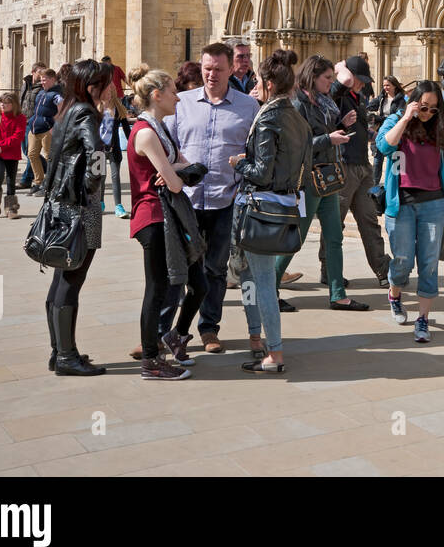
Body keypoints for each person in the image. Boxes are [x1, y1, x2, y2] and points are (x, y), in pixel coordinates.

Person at [165, 42, 259, 353]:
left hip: (225, 199)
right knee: (176, 269)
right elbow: (167, 144)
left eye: (218, 69)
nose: (211, 74)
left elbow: (255, 152)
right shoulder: (182, 102)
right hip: (186, 199)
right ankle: (164, 332)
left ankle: (209, 329)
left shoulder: (248, 107)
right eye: (206, 68)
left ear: (232, 69)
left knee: (215, 269)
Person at [228, 50, 312, 372]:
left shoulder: (268, 117)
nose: (255, 87)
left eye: (259, 82)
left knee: (260, 281)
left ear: (269, 83)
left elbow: (261, 171)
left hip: (259, 208)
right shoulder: (298, 119)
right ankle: (255, 338)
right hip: (283, 207)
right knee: (250, 277)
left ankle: (273, 353)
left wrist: (239, 162)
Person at [43, 58, 112, 376]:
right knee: (72, 279)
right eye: (108, 83)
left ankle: (59, 351)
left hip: (61, 205)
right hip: (80, 209)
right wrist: (91, 186)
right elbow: (96, 152)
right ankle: (67, 357)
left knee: (61, 278)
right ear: (93, 87)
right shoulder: (86, 112)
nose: (113, 89)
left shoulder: (67, 110)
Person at [127, 66, 196, 380]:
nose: (178, 98)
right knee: (155, 289)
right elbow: (176, 181)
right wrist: (176, 171)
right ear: (157, 95)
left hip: (160, 214)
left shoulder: (159, 129)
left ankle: (155, 356)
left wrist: (175, 169)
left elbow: (181, 166)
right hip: (152, 215)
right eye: (172, 91)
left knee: (163, 286)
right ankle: (151, 361)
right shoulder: (145, 132)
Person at [375, 79, 444, 344]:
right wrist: (406, 118)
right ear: (414, 102)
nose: (428, 113)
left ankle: (422, 319)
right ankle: (395, 293)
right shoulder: (398, 120)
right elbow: (383, 146)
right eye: (424, 107)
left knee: (429, 263)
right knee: (403, 260)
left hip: (434, 202)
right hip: (403, 203)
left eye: (434, 109)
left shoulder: (440, 127)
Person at [291, 55, 367, 311]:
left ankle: (338, 294)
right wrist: (328, 139)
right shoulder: (298, 104)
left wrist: (340, 125)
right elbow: (298, 146)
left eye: (331, 78)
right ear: (313, 77)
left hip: (329, 178)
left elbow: (323, 131)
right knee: (297, 237)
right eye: (326, 78)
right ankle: (271, 285)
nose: (330, 83)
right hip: (310, 180)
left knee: (335, 237)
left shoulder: (323, 102)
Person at [330, 54, 391, 288]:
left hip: (362, 166)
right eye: (360, 79)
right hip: (343, 166)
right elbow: (328, 123)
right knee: (336, 223)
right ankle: (329, 269)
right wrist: (341, 68)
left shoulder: (358, 96)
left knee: (369, 219)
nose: (364, 84)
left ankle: (383, 268)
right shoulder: (337, 95)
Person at [25, 69, 64, 194]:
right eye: (41, 80)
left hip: (47, 130)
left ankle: (53, 184)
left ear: (53, 79)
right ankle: (39, 182)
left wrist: (54, 126)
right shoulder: (41, 92)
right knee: (31, 154)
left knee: (49, 157)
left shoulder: (56, 94)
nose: (42, 82)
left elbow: (62, 109)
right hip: (35, 128)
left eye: (44, 79)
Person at [99, 82, 132, 218]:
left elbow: (127, 130)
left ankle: (118, 206)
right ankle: (100, 202)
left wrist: (133, 145)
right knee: (100, 177)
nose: (108, 93)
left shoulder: (118, 109)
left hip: (114, 148)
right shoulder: (96, 107)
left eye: (110, 90)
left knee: (115, 176)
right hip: (99, 149)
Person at [369, 76, 406, 184]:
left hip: (394, 132)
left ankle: (398, 185)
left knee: (396, 160)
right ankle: (374, 185)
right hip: (380, 132)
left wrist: (379, 118)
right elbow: (368, 108)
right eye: (384, 85)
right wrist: (371, 116)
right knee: (377, 161)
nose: (385, 87)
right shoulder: (381, 98)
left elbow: (398, 116)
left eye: (388, 85)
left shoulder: (401, 100)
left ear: (394, 86)